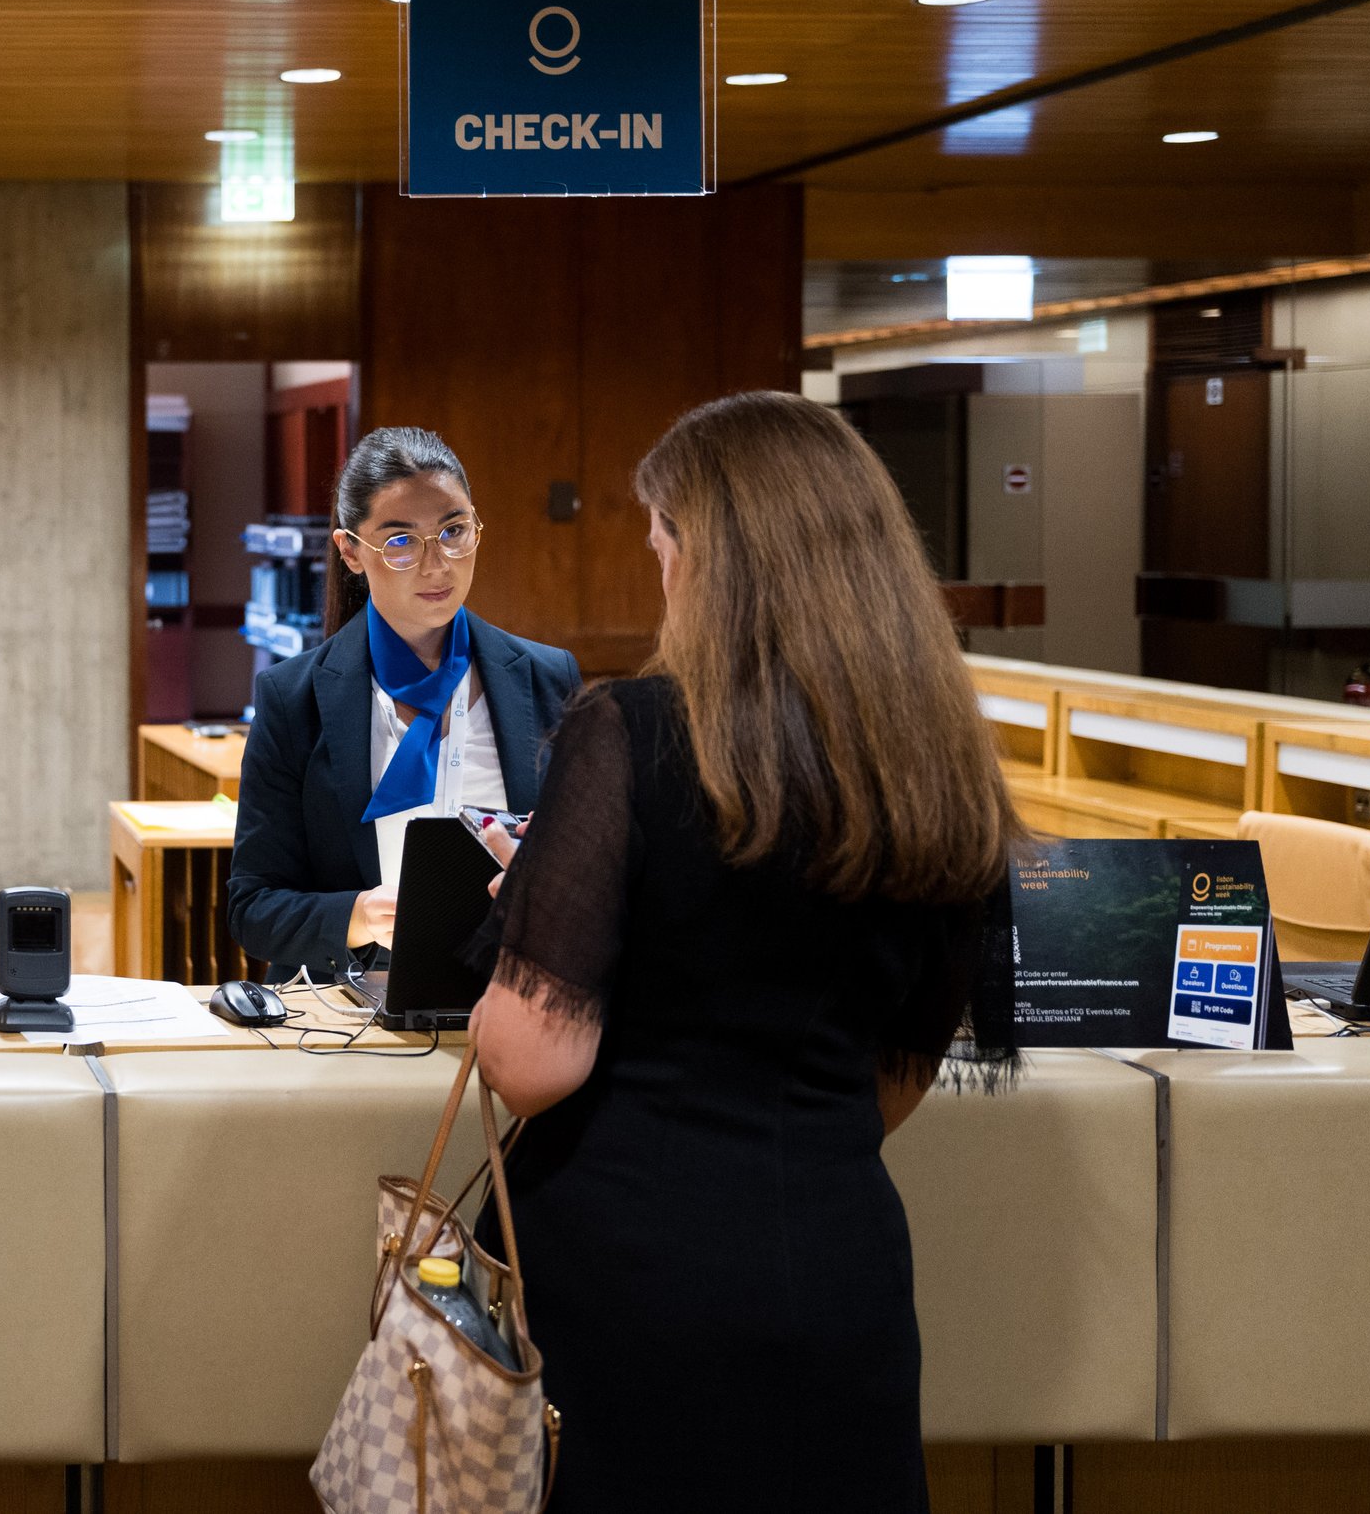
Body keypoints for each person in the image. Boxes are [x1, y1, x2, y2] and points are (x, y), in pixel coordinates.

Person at [468, 391, 1019, 1513]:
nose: (659, 570)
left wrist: (514, 923)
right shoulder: (939, 762)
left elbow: (532, 1062)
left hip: (631, 1274)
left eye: (665, 542)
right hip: (840, 1267)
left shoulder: (633, 733)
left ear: (717, 559)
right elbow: (897, 1074)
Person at [228, 426, 581, 983]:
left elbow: (591, 871)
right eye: (400, 541)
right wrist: (355, 917)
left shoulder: (547, 677)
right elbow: (252, 908)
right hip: (346, 1004)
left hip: (506, 987)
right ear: (350, 552)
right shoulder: (292, 698)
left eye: (453, 531)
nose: (436, 564)